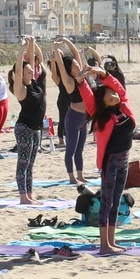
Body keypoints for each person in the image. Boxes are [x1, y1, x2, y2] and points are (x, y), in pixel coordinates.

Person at [76, 59, 135, 253]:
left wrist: (102, 74)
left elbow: (117, 86)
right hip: (110, 161)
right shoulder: (102, 116)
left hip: (124, 159)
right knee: (107, 202)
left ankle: (111, 241)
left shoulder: (124, 105)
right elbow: (88, 98)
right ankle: (104, 246)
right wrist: (80, 81)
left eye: (113, 94)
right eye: (109, 97)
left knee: (116, 202)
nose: (114, 97)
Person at [10, 38, 47, 204]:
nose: (32, 72)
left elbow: (31, 61)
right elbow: (19, 71)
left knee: (30, 165)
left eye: (32, 70)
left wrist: (31, 44)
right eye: (29, 71)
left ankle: (29, 195)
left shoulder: (33, 82)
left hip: (36, 128)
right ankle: (23, 197)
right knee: (23, 163)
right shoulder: (20, 88)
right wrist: (21, 50)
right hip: (24, 128)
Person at [51, 41, 89, 183]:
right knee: (71, 150)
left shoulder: (82, 76)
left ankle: (80, 175)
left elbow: (76, 54)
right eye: (73, 65)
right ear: (69, 69)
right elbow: (61, 66)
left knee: (80, 150)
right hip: (73, 119)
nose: (77, 65)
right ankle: (72, 177)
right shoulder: (69, 81)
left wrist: (67, 41)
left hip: (84, 119)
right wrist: (55, 50)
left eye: (77, 64)